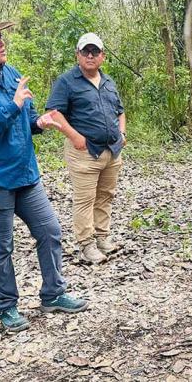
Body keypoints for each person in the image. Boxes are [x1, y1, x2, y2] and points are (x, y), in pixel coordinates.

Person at [0, 12, 88, 332]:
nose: (1, 42)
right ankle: (6, 307)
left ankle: (53, 293)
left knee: (50, 230)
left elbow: (27, 119)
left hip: (24, 172)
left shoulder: (12, 74)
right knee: (0, 244)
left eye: (1, 37)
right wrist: (11, 106)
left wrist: (40, 122)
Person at [44, 33, 126, 264]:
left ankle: (103, 238)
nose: (90, 56)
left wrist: (122, 133)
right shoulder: (67, 81)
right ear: (78, 55)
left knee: (105, 196)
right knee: (85, 199)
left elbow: (120, 111)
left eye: (95, 52)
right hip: (84, 151)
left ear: (103, 56)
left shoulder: (108, 82)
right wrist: (74, 136)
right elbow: (54, 112)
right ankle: (86, 244)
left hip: (112, 149)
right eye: (85, 52)